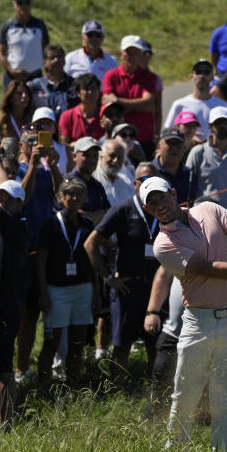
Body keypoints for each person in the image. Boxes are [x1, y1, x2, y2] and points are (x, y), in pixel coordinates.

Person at [141, 176, 227, 452]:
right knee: (185, 394)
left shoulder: (207, 209)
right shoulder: (163, 244)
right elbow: (208, 269)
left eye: (161, 197)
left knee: (222, 397)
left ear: (173, 194)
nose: (159, 205)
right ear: (148, 210)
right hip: (199, 323)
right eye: (151, 203)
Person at [85, 164, 164, 384]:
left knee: (155, 343)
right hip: (128, 286)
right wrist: (108, 278)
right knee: (121, 344)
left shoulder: (163, 210)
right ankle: (118, 392)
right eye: (143, 179)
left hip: (157, 288)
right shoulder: (123, 209)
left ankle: (157, 391)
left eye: (153, 178)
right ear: (135, 183)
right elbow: (91, 243)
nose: (148, 183)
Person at [35, 177, 96, 388]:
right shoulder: (51, 224)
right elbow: (41, 260)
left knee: (78, 340)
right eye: (69, 193)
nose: (74, 197)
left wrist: (96, 292)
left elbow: (93, 260)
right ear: (60, 197)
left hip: (83, 288)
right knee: (52, 340)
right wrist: (43, 292)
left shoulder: (88, 224)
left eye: (79, 193)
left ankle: (73, 383)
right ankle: (43, 385)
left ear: (85, 198)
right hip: (57, 289)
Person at [102, 35, 162, 158]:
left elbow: (148, 105)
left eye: (135, 52)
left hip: (144, 137)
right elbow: (109, 106)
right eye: (128, 52)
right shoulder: (111, 76)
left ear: (141, 55)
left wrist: (119, 102)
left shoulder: (149, 77)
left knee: (145, 175)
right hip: (118, 137)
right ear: (121, 54)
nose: (131, 56)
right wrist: (136, 105)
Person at [186, 107, 227, 215]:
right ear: (210, 127)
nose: (222, 127)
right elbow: (187, 186)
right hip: (204, 219)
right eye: (218, 123)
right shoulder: (197, 152)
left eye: (226, 123)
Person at [0, 0, 48, 90]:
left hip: (36, 77)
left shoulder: (40, 25)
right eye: (19, 2)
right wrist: (11, 70)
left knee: (37, 105)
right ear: (14, 5)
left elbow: (46, 50)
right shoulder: (7, 26)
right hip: (13, 77)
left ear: (31, 5)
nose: (23, 6)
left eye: (27, 2)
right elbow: (0, 53)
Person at [164, 59, 226, 138]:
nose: (202, 76)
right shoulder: (179, 104)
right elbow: (167, 134)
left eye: (207, 72)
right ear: (192, 76)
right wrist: (187, 136)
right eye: (198, 71)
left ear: (212, 77)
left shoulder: (222, 105)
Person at [28, 44, 79, 122]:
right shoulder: (34, 86)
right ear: (44, 62)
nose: (56, 60)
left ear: (64, 60)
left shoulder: (75, 85)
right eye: (52, 58)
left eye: (59, 57)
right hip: (43, 132)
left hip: (69, 131)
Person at [58, 73, 104, 144]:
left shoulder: (105, 115)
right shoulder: (67, 116)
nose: (90, 92)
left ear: (99, 91)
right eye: (86, 89)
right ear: (78, 93)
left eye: (93, 88)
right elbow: (63, 145)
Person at [151, 128, 192, 204]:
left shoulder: (189, 174)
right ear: (159, 146)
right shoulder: (149, 172)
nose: (174, 148)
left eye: (178, 144)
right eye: (170, 143)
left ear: (184, 148)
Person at [93, 139, 134, 207]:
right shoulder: (92, 179)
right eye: (112, 156)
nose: (115, 160)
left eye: (120, 157)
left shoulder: (127, 182)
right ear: (101, 156)